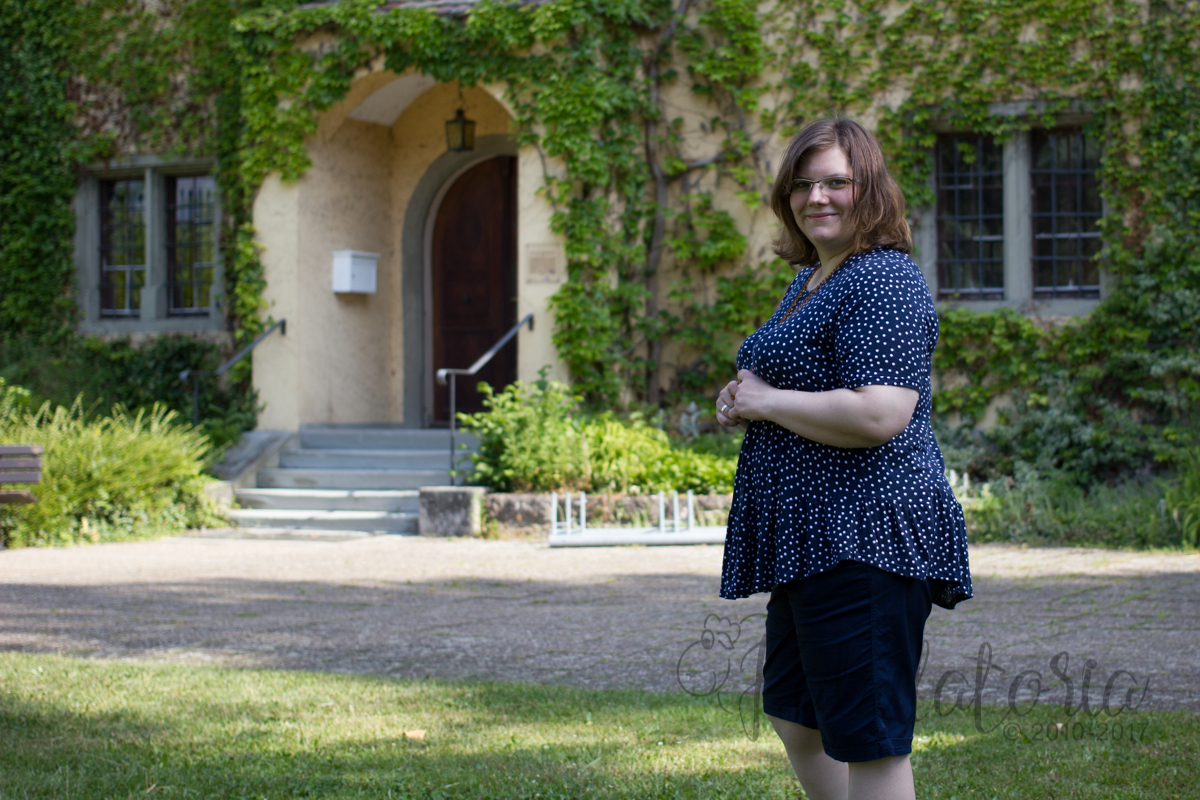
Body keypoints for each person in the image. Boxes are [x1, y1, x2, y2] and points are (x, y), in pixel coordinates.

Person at [715, 118, 972, 800]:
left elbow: (881, 413)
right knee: (796, 714)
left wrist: (768, 403)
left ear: (870, 190)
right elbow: (791, 378)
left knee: (869, 740)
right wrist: (745, 395)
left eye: (835, 181)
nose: (815, 196)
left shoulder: (882, 280)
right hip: (815, 539)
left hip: (866, 535)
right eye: (802, 183)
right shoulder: (814, 278)